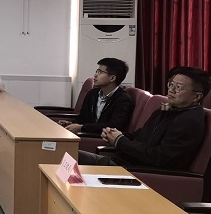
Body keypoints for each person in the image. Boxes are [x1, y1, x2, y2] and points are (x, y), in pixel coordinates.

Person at [78, 66, 210, 169]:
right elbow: (139, 136)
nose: (171, 90)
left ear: (197, 96)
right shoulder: (166, 110)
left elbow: (160, 158)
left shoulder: (189, 121)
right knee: (67, 154)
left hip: (136, 172)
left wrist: (120, 141)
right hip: (121, 162)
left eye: (179, 87)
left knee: (71, 158)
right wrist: (115, 135)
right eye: (171, 85)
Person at [58, 58, 134, 134]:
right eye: (97, 71)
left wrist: (82, 127)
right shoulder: (92, 94)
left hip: (102, 138)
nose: (95, 75)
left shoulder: (123, 99)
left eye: (100, 72)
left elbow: (114, 126)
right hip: (87, 134)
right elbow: (82, 118)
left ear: (112, 78)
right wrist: (70, 123)